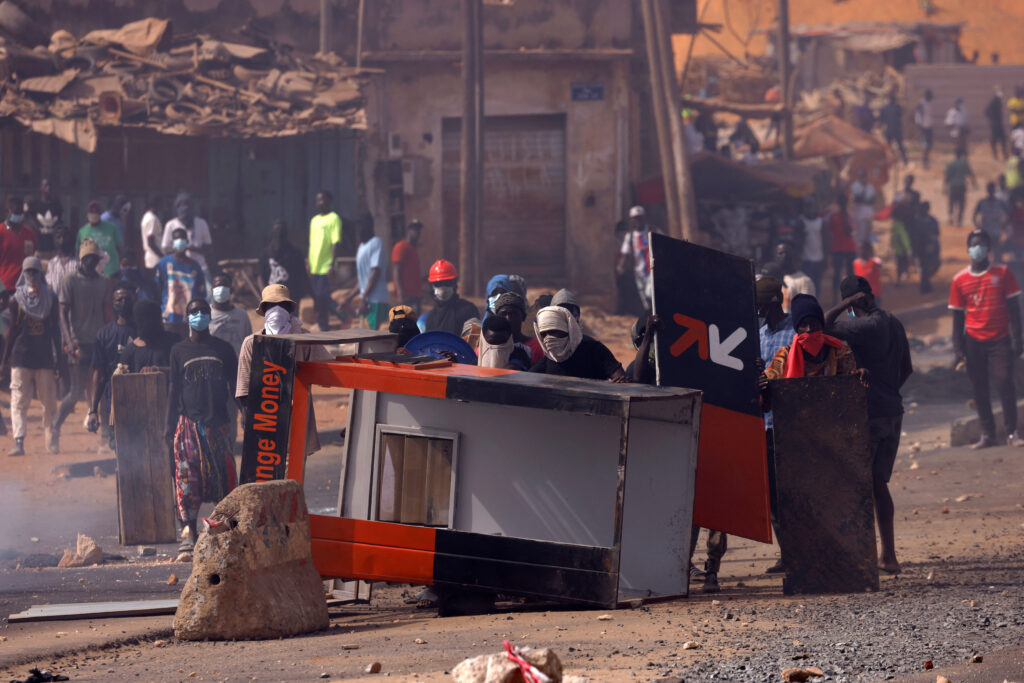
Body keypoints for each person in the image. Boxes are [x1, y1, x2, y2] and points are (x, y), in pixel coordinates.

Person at [825, 276, 912, 575]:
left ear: (856, 301)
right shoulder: (894, 322)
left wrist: (846, 303)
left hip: (870, 414)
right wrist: (888, 391)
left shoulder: (862, 326)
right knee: (878, 484)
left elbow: (822, 324)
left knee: (860, 484)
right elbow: (907, 368)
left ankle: (863, 558)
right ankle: (888, 556)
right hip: (892, 411)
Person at [167, 297, 238, 552]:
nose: (199, 315)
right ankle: (189, 531)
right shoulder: (178, 350)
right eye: (194, 311)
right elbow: (174, 389)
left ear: (210, 315)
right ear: (187, 318)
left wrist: (243, 413)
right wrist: (168, 427)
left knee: (224, 479)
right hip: (188, 424)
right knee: (188, 480)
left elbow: (235, 385)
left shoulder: (224, 349)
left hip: (218, 425)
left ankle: (223, 529)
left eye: (203, 311)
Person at [949, 230, 1024, 449]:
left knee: (1004, 382)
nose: (977, 247)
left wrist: (1017, 340)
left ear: (989, 248)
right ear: (968, 249)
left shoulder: (1003, 273)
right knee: (979, 388)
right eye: (973, 244)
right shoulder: (959, 280)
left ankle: (1012, 433)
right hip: (973, 340)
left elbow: (1014, 309)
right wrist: (958, 350)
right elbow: (956, 317)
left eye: (981, 244)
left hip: (1000, 339)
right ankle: (988, 434)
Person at [236, 285, 330, 457]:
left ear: (288, 309)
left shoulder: (304, 339)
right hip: (264, 419)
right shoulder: (252, 343)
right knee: (265, 473)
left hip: (297, 415)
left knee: (293, 473)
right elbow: (243, 387)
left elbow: (327, 370)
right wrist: (246, 416)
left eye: (282, 305)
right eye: (271, 306)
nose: (277, 310)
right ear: (264, 310)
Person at [2, 257, 63, 455]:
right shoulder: (15, 300)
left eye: (35, 271)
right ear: (23, 274)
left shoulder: (51, 299)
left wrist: (59, 358)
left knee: (49, 401)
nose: (32, 275)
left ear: (41, 274)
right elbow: (11, 332)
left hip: (44, 358)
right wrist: (4, 361)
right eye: (28, 272)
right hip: (21, 358)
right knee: (19, 400)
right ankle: (19, 441)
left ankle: (50, 439)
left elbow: (55, 330)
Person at [55, 238, 109, 439]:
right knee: (76, 392)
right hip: (78, 343)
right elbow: (62, 312)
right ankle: (55, 427)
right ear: (81, 259)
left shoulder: (103, 282)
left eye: (94, 259)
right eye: (87, 259)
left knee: (101, 392)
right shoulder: (70, 280)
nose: (91, 263)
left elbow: (106, 313)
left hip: (99, 343)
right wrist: (68, 341)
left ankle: (104, 436)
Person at [755, 277, 792, 574]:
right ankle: (789, 553)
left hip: (792, 425)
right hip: (764, 424)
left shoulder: (795, 332)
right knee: (774, 495)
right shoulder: (758, 335)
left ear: (773, 303)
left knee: (795, 491)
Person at [86, 282, 136, 452]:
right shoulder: (104, 334)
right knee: (118, 451)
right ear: (113, 304)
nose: (123, 302)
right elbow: (98, 375)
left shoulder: (142, 331)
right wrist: (93, 411)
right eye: (118, 299)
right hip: (113, 402)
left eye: (126, 298)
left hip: (140, 399)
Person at [209, 274, 252, 445]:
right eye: (217, 285)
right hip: (211, 377)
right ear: (212, 290)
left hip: (235, 377)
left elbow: (248, 345)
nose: (221, 289)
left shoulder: (241, 316)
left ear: (231, 289)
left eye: (224, 285)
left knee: (230, 422)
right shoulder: (205, 315)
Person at [529, 306, 625, 381]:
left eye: (554, 332)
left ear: (567, 329)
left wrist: (619, 383)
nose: (549, 338)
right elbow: (526, 381)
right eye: (544, 334)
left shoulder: (594, 350)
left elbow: (620, 378)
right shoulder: (549, 360)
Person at [156, 227, 206, 337]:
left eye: (182, 238)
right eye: (176, 239)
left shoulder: (195, 266)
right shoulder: (163, 263)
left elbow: (201, 294)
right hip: (169, 318)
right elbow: (157, 288)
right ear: (172, 242)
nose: (180, 241)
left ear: (187, 242)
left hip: (189, 320)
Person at [341, 219, 389, 330]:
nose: (357, 233)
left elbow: (375, 272)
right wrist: (348, 299)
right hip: (366, 302)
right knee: (365, 339)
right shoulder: (361, 247)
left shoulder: (376, 243)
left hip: (377, 300)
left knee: (375, 340)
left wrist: (363, 298)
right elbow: (362, 280)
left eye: (360, 229)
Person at [308, 191, 343, 331]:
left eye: (322, 199)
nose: (319, 202)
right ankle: (339, 315)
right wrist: (308, 262)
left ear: (329, 201)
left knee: (322, 296)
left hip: (326, 265)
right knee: (318, 297)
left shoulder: (334, 218)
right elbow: (311, 243)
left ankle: (325, 323)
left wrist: (332, 264)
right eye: (317, 200)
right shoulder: (314, 220)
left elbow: (336, 243)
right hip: (314, 265)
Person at [161, 193, 212, 286]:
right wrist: (179, 249)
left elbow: (208, 246)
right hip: (178, 268)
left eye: (187, 204)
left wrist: (195, 249)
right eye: (181, 205)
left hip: (200, 266)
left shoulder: (201, 223)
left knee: (208, 294)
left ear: (192, 207)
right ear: (176, 208)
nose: (184, 208)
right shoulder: (171, 225)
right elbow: (165, 248)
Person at [259, 220, 311, 305]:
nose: (279, 233)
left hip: (291, 299)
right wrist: (264, 295)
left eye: (281, 230)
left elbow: (303, 275)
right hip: (272, 299)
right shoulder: (265, 254)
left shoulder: (295, 253)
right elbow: (260, 275)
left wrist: (310, 295)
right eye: (277, 229)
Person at [423, 259, 479, 336]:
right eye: (438, 284)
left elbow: (474, 342)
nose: (443, 288)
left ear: (454, 284)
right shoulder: (431, 318)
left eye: (447, 283)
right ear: (432, 286)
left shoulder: (468, 310)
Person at [616, 206, 657, 311]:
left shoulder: (653, 231)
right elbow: (625, 254)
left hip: (652, 271)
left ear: (644, 218)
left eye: (640, 218)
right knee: (645, 303)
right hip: (639, 273)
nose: (638, 220)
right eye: (635, 218)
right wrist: (621, 267)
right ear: (632, 220)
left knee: (649, 295)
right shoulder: (630, 237)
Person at [120, 300, 179, 372]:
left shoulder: (174, 342)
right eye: (143, 320)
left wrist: (159, 370)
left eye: (152, 319)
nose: (148, 324)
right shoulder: (130, 351)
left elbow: (184, 370)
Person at [493, 291, 542, 366]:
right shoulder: (488, 348)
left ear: (523, 317)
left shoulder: (537, 347)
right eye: (503, 314)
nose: (508, 318)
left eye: (513, 314)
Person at [0, 195, 38, 291]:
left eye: (21, 213)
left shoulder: (30, 234)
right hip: (5, 289)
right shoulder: (1, 232)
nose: (19, 216)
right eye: (16, 213)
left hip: (25, 289)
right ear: (7, 212)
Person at [76, 200, 121, 277]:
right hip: (91, 274)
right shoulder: (82, 231)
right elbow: (78, 252)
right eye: (91, 212)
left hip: (112, 272)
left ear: (100, 213)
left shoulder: (112, 227)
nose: (94, 214)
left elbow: (119, 247)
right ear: (87, 214)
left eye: (96, 212)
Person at [828, 193, 857, 303]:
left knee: (842, 273)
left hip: (843, 247)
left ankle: (840, 298)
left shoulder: (845, 217)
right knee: (842, 274)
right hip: (843, 247)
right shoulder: (840, 216)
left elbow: (850, 231)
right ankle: (841, 298)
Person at [391, 219, 423, 312]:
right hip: (406, 296)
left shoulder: (414, 248)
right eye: (415, 229)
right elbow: (396, 270)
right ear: (408, 231)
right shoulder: (401, 246)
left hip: (416, 295)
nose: (418, 232)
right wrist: (400, 294)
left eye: (419, 230)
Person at [773, 242, 815, 312]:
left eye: (787, 253)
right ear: (774, 256)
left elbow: (806, 310)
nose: (784, 256)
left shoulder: (804, 281)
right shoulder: (772, 279)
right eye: (780, 253)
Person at [973, 181, 1011, 255]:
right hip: (987, 231)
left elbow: (1009, 214)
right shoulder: (982, 202)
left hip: (995, 231)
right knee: (987, 253)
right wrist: (978, 226)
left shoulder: (999, 202)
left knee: (995, 253)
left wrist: (1004, 225)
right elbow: (974, 215)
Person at [798, 202, 827, 294]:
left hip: (819, 258)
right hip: (805, 259)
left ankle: (815, 304)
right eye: (808, 206)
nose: (810, 209)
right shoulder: (801, 221)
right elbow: (798, 240)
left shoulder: (821, 222)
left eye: (812, 207)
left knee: (817, 286)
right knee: (806, 286)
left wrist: (826, 258)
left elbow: (826, 241)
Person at [27, 178, 62, 253]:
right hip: (38, 246)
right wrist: (37, 228)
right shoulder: (35, 204)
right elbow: (30, 218)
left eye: (49, 185)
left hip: (52, 246)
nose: (48, 188)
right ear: (41, 187)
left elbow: (59, 222)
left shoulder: (56, 204)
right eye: (45, 185)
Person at [944, 150, 976, 227]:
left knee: (952, 202)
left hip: (953, 186)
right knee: (961, 203)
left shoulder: (951, 164)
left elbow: (947, 177)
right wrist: (974, 183)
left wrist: (944, 187)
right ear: (961, 155)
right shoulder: (964, 163)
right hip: (962, 185)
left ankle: (951, 217)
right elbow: (971, 174)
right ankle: (959, 220)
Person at [45, 224, 77, 296]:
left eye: (65, 237)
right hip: (57, 303)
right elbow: (49, 285)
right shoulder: (52, 263)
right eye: (58, 237)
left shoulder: (79, 260)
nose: (62, 240)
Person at [849, 169, 876, 247]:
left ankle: (867, 251)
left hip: (869, 213)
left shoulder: (870, 187)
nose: (863, 178)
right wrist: (865, 199)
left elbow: (873, 200)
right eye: (861, 176)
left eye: (864, 176)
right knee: (860, 236)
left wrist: (865, 200)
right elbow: (857, 199)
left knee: (868, 235)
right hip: (860, 214)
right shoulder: (855, 186)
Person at [880, 93, 908, 164]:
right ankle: (904, 160)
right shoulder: (897, 108)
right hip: (896, 130)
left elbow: (881, 120)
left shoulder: (885, 108)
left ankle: (886, 160)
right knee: (900, 146)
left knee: (888, 147)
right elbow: (902, 113)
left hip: (889, 130)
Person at [140, 197, 164, 272]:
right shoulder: (152, 219)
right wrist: (163, 257)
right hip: (155, 257)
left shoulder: (146, 216)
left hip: (151, 256)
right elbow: (150, 242)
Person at [985, 87, 1008, 160]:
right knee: (994, 140)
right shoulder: (993, 102)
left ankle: (1004, 154)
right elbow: (986, 111)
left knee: (1003, 139)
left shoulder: (998, 102)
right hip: (995, 124)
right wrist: (992, 119)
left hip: (999, 123)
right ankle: (995, 155)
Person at [914, 89, 935, 169]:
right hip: (923, 128)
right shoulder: (921, 104)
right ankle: (924, 161)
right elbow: (917, 115)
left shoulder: (929, 103)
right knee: (925, 145)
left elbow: (929, 115)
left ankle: (926, 159)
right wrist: (919, 126)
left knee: (930, 144)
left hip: (929, 127)